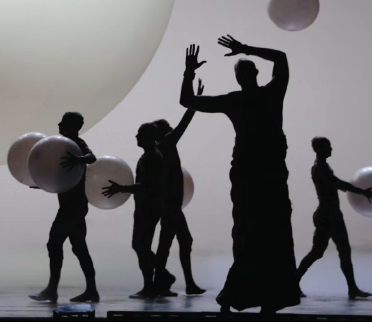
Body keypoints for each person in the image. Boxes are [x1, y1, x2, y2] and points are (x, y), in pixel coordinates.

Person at [179, 37, 300, 313]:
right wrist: (189, 72)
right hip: (253, 174)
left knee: (265, 233)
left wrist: (245, 49)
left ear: (254, 73)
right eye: (241, 72)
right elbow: (187, 100)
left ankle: (264, 297)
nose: (243, 76)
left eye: (245, 71)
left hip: (265, 173)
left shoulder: (263, 95)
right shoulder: (249, 98)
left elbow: (280, 57)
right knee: (255, 232)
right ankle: (244, 295)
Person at [29, 112, 99, 304]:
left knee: (55, 244)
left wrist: (79, 159)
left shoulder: (76, 144)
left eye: (63, 122)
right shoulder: (62, 146)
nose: (59, 124)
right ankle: (91, 291)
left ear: (73, 125)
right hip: (72, 205)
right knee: (79, 248)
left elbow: (91, 157)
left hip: (73, 206)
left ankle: (52, 290)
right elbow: (61, 174)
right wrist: (43, 182)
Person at [296, 137, 372, 299]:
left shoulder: (323, 166)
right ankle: (291, 283)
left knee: (342, 251)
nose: (331, 149)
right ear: (320, 149)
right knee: (318, 252)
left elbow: (337, 183)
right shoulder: (319, 168)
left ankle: (352, 288)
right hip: (327, 216)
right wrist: (362, 191)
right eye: (328, 147)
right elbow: (337, 183)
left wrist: (360, 191)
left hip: (333, 215)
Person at [152, 79, 206, 297]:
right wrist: (195, 102)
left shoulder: (161, 147)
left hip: (170, 204)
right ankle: (173, 283)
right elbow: (184, 124)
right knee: (175, 242)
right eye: (167, 127)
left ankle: (166, 282)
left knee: (172, 242)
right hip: (171, 205)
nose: (171, 129)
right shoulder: (166, 144)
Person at [103, 122, 165, 299]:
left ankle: (151, 285)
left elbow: (147, 185)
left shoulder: (152, 158)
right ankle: (158, 279)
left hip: (148, 208)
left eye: (140, 134)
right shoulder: (149, 156)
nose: (136, 137)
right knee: (141, 245)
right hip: (146, 207)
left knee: (140, 245)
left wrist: (121, 188)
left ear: (149, 137)